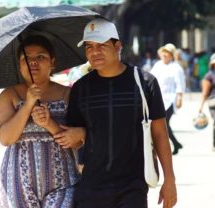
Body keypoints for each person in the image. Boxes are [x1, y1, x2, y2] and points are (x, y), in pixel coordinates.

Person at [56, 18, 177, 208]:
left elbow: (160, 133)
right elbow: (75, 138)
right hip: (91, 187)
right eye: (89, 47)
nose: (94, 52)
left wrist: (170, 180)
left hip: (132, 188)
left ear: (117, 46)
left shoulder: (144, 82)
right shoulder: (80, 88)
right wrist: (78, 134)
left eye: (101, 45)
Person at [0, 35, 85, 208]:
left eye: (40, 57)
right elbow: (5, 138)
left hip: (62, 181)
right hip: (18, 182)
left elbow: (79, 141)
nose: (33, 62)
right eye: (27, 58)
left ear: (52, 62)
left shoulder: (68, 95)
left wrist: (49, 123)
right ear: (20, 64)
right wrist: (27, 104)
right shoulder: (9, 95)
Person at [150, 43, 185, 155]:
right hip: (157, 97)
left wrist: (179, 97)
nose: (165, 55)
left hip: (170, 99)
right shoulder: (157, 65)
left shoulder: (176, 67)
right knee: (160, 124)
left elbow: (180, 83)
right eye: (164, 52)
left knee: (164, 123)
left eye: (168, 53)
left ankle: (173, 144)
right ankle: (176, 143)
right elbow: (151, 79)